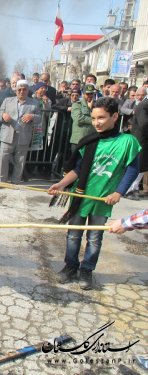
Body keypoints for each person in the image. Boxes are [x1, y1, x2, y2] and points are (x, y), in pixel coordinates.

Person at [48, 97, 141, 290]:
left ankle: (87, 270)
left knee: (94, 237)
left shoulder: (127, 141)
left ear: (115, 116)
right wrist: (61, 184)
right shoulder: (90, 140)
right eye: (93, 118)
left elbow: (132, 169)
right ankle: (70, 266)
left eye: (101, 118)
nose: (96, 122)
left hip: (102, 198)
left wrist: (118, 192)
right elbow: (79, 169)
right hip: (81, 195)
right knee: (73, 234)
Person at [0, 79, 41, 183]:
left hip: (23, 135)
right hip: (7, 134)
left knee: (20, 160)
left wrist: (32, 116)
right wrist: (3, 115)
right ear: (16, 91)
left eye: (24, 89)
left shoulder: (34, 103)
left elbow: (39, 118)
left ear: (27, 90)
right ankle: (1, 181)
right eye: (19, 89)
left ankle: (15, 181)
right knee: (3, 159)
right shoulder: (7, 101)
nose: (21, 91)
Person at [69, 83, 96, 154]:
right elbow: (79, 119)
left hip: (91, 139)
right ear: (83, 94)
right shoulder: (77, 104)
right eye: (88, 94)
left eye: (91, 94)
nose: (90, 96)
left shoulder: (96, 105)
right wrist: (93, 120)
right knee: (77, 162)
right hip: (79, 139)